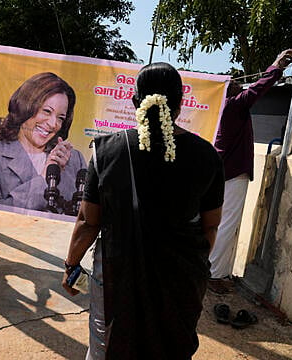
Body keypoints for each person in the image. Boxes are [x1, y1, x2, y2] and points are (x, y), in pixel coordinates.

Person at [62, 62, 225, 359]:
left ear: (136, 102)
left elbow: (88, 222)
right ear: (180, 105)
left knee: (108, 348)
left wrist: (72, 265)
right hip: (182, 280)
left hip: (116, 275)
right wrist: (190, 264)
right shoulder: (207, 156)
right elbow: (210, 226)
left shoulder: (107, 150)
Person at [208, 48, 292, 294]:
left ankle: (218, 271)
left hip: (222, 172)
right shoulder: (233, 106)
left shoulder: (223, 109)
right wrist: (276, 65)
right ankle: (214, 275)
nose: (238, 84)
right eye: (233, 83)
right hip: (233, 173)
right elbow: (258, 88)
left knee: (222, 224)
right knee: (227, 224)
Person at [0, 72, 87, 213]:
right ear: (25, 106)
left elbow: (84, 213)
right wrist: (44, 180)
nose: (53, 124)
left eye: (61, 118)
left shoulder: (75, 159)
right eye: (47, 111)